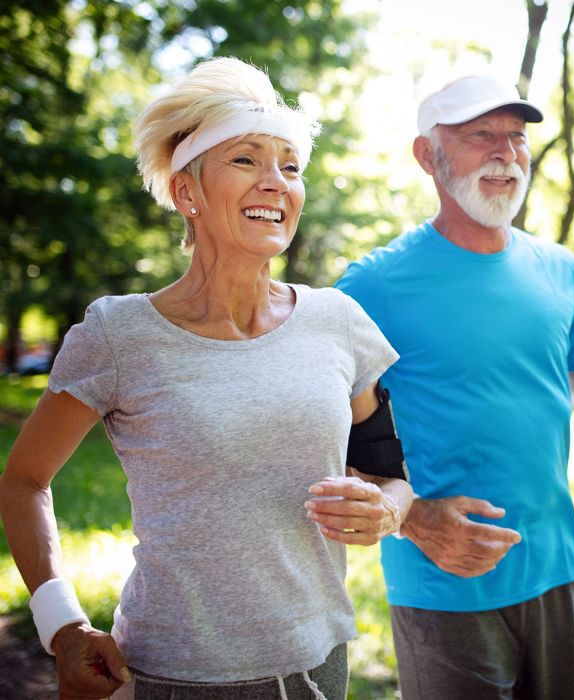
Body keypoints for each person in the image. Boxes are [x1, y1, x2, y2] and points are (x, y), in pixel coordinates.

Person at [0, 57, 414, 700]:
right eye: (247, 159)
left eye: (291, 165)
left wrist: (387, 510)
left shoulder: (338, 321)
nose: (276, 182)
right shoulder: (119, 335)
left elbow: (392, 473)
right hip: (169, 674)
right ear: (187, 193)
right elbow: (24, 480)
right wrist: (62, 628)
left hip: (318, 666)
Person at [320, 71, 574, 699]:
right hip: (444, 580)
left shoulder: (562, 270)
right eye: (479, 135)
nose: (505, 152)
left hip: (556, 571)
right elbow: (316, 433)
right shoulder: (372, 287)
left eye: (516, 137)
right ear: (426, 155)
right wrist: (411, 520)